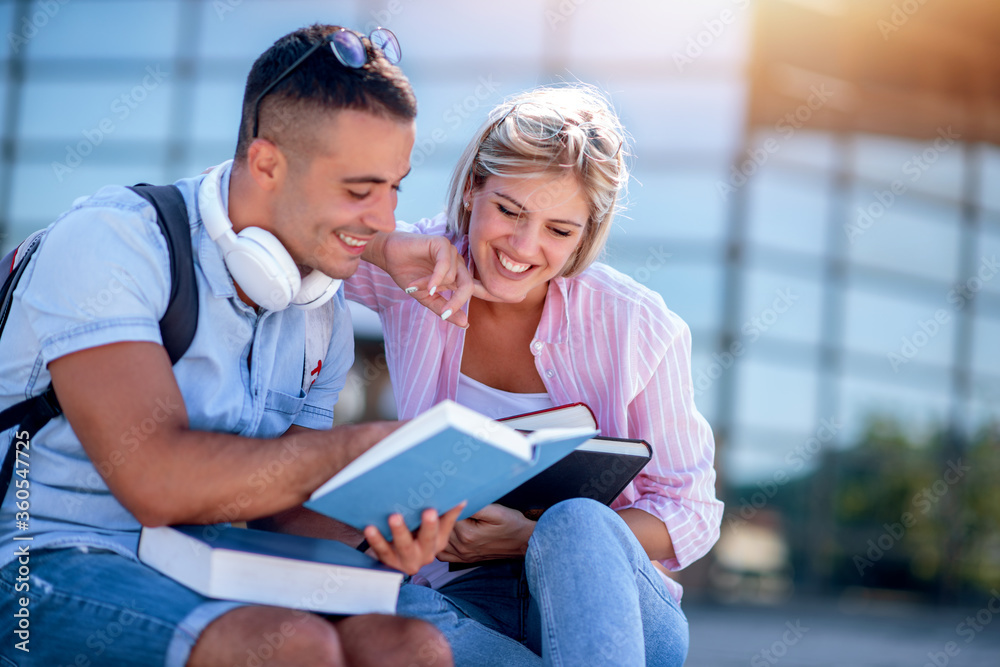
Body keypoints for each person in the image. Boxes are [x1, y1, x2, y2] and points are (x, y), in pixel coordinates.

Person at [0, 24, 473, 667]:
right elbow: (155, 481)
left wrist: (389, 522)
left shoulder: (318, 309)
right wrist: (354, 448)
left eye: (394, 186)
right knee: (293, 649)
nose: (386, 219)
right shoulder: (114, 243)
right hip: (34, 564)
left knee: (409, 647)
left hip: (207, 565)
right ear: (267, 163)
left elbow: (283, 512)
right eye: (360, 191)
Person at [344, 85, 724, 665]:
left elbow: (692, 513)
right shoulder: (417, 266)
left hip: (615, 606)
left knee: (577, 522)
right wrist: (383, 248)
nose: (524, 247)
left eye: (559, 230)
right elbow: (289, 227)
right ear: (473, 188)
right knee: (359, 605)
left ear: (586, 233)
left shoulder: (639, 326)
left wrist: (532, 540)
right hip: (467, 603)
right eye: (509, 210)